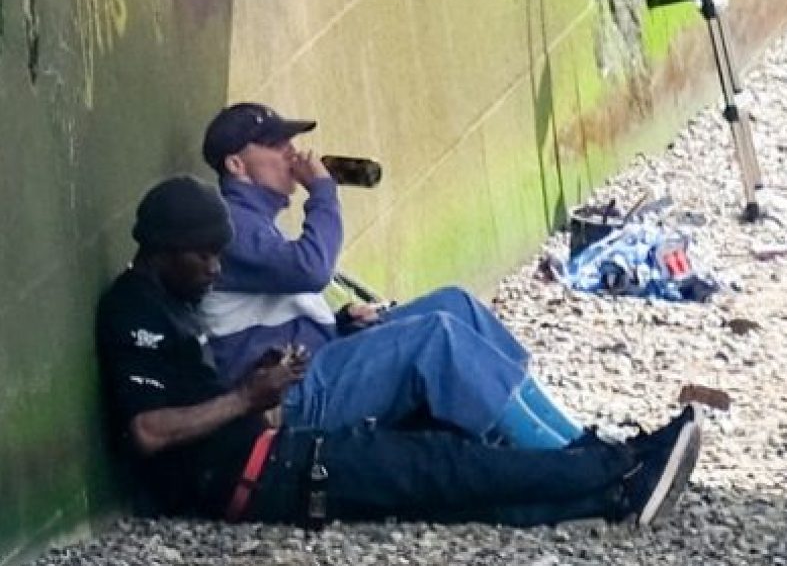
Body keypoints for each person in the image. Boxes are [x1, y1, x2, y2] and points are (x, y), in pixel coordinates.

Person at [95, 176, 702, 528]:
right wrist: (244, 397)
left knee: (446, 472)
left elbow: (206, 398)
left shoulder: (175, 300)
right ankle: (613, 466)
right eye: (203, 257)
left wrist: (257, 385)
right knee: (440, 470)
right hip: (262, 474)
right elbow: (148, 431)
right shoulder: (133, 310)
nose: (215, 269)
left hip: (272, 447)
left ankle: (608, 489)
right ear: (163, 249)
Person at [198, 102, 596, 449]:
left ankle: (572, 438)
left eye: (289, 140)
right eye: (275, 145)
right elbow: (311, 268)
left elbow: (272, 310)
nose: (291, 151)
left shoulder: (254, 220)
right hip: (289, 397)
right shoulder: (229, 224)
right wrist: (322, 192)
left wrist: (342, 321)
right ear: (236, 165)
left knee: (456, 305)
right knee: (435, 336)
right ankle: (566, 458)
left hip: (316, 364)